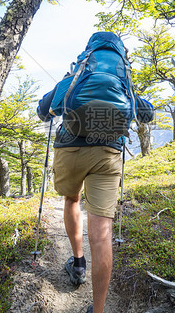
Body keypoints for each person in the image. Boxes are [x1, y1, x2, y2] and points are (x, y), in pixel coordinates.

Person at [37, 32, 154, 313]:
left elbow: (44, 110)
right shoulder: (123, 81)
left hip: (71, 150)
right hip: (108, 155)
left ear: (86, 55)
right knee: (102, 234)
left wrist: (65, 91)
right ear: (120, 58)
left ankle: (77, 263)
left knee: (72, 200)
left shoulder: (75, 77)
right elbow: (146, 114)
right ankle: (99, 310)